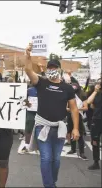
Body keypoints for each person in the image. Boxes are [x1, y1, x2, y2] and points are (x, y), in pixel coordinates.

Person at [25, 43, 80, 188]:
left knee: (56, 160)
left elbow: (74, 109)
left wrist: (75, 128)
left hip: (59, 128)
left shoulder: (67, 88)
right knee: (46, 158)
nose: (51, 70)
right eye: (49, 68)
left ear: (59, 70)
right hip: (42, 126)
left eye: (54, 68)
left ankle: (52, 182)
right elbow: (28, 69)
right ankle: (49, 185)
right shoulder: (41, 82)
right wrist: (28, 55)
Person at [66, 83, 88, 160]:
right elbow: (66, 107)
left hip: (78, 115)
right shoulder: (68, 94)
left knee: (80, 133)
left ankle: (82, 152)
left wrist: (77, 109)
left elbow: (86, 107)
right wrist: (69, 109)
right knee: (71, 131)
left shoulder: (82, 95)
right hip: (70, 116)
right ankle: (73, 149)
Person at [86, 79, 101, 170]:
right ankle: (96, 162)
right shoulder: (96, 92)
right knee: (95, 141)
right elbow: (89, 102)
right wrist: (95, 91)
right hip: (97, 120)